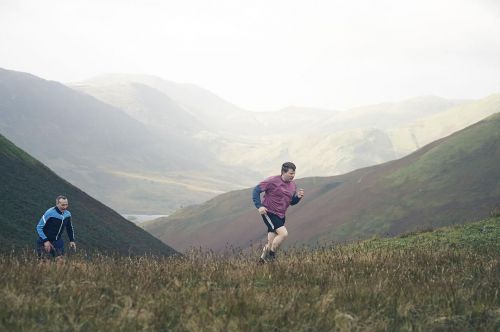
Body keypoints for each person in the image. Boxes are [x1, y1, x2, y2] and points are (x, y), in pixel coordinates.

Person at [252, 162, 304, 263]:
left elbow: (291, 202)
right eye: (290, 173)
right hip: (269, 213)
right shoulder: (272, 181)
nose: (292, 176)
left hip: (281, 215)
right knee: (283, 234)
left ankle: (261, 262)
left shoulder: (293, 185)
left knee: (271, 242)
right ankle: (272, 257)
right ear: (283, 172)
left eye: (294, 173)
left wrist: (298, 197)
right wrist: (259, 206)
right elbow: (256, 190)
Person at [36, 195, 76, 259]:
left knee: (60, 262)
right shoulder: (49, 213)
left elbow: (69, 227)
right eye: (63, 205)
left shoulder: (68, 214)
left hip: (58, 241)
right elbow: (39, 227)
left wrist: (72, 240)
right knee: (44, 263)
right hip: (44, 241)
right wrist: (45, 241)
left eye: (66, 204)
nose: (65, 207)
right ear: (57, 204)